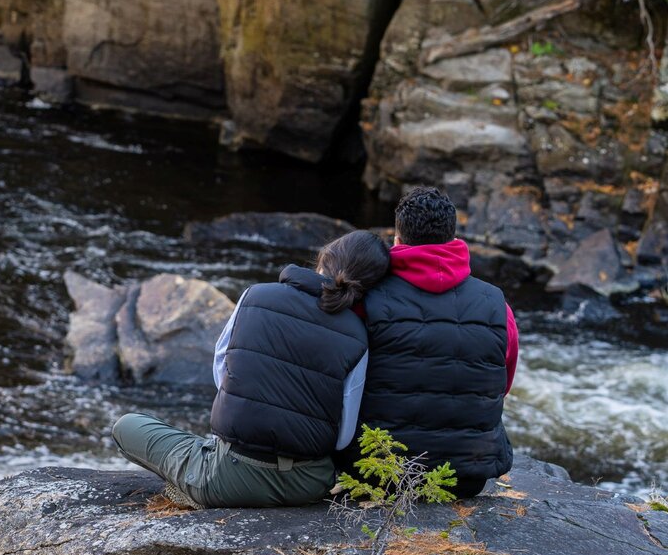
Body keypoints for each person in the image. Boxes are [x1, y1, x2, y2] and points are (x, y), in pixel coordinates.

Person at [111, 230, 390, 509]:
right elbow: (343, 437)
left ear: (323, 258)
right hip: (309, 484)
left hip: (227, 477)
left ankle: (195, 489)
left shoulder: (255, 296)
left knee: (126, 426)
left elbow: (223, 372)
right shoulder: (358, 336)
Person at [341, 186, 519, 499]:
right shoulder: (496, 305)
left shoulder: (365, 298)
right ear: (453, 240)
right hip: (464, 478)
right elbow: (500, 385)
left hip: (375, 472)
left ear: (397, 238)